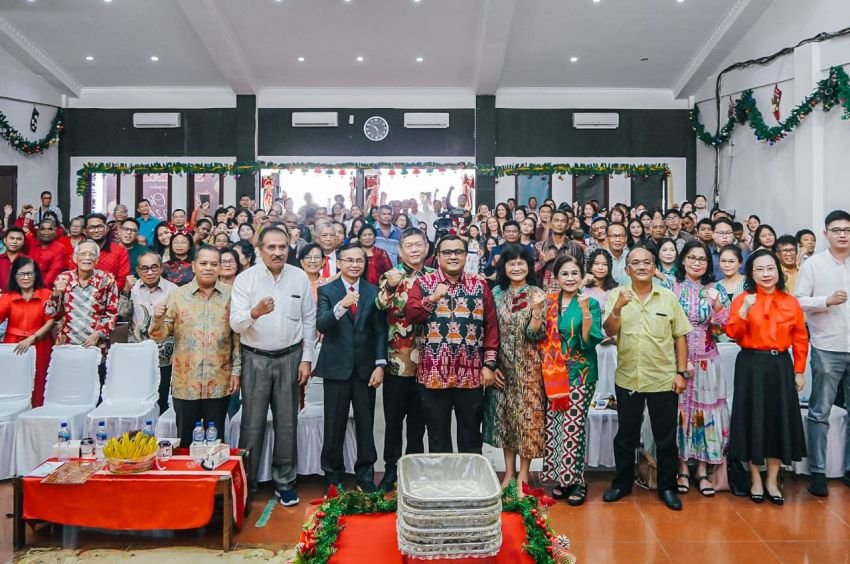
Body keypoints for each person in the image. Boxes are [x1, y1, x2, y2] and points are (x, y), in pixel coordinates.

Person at [230, 227, 317, 504]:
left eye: (282, 247)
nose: (278, 252)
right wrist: (255, 313)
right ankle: (248, 481)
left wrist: (306, 359)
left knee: (287, 422)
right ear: (259, 249)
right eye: (271, 247)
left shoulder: (299, 277)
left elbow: (309, 321)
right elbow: (235, 323)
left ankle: (285, 481)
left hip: (290, 358)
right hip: (254, 358)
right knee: (251, 424)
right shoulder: (245, 280)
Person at [602, 244, 692, 511]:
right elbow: (608, 329)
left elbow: (681, 336)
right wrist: (617, 308)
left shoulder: (667, 298)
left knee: (665, 437)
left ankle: (667, 487)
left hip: (663, 378)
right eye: (635, 263)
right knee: (626, 436)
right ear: (627, 269)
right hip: (628, 377)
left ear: (654, 268)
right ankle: (622, 484)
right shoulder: (616, 295)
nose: (641, 267)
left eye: (646, 263)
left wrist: (681, 372)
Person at [727, 249, 808, 505]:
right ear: (751, 273)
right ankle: (755, 478)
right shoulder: (743, 299)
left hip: (780, 365)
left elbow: (800, 338)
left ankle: (772, 479)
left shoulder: (790, 301)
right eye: (759, 269)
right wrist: (744, 311)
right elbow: (732, 333)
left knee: (777, 420)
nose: (765, 274)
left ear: (778, 270)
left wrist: (799, 370)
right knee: (753, 419)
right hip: (751, 365)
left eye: (770, 268)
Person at [405, 235, 499, 454]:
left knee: (471, 436)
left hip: (471, 373)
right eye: (447, 252)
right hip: (434, 374)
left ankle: (470, 484)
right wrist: (432, 299)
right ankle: (441, 483)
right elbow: (410, 315)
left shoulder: (480, 285)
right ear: (437, 257)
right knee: (437, 436)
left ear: (466, 256)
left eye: (458, 252)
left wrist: (490, 364)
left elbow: (491, 326)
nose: (453, 256)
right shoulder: (424, 284)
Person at [315, 243, 387, 492]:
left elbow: (380, 331)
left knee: (365, 424)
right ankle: (333, 476)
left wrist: (380, 364)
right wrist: (342, 305)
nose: (355, 264)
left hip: (365, 369)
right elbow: (322, 325)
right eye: (349, 260)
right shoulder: (328, 290)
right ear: (339, 263)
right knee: (334, 424)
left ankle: (365, 475)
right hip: (336, 368)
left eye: (359, 260)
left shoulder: (372, 291)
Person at [151, 246, 240, 449]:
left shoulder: (231, 296)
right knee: (186, 440)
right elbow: (160, 335)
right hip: (185, 381)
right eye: (203, 263)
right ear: (193, 266)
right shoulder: (178, 295)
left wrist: (236, 371)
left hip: (219, 379)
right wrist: (157, 319)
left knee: (216, 440)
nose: (208, 268)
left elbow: (237, 339)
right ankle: (187, 479)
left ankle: (213, 479)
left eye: (214, 264)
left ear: (219, 267)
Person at [663, 241, 729, 497]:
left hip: (706, 361)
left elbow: (724, 328)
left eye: (702, 259)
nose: (697, 263)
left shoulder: (714, 289)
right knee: (678, 413)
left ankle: (701, 469)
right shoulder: (671, 286)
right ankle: (681, 468)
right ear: (683, 260)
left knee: (703, 413)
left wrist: (719, 308)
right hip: (675, 359)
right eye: (691, 257)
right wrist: (679, 361)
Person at [540, 254, 603, 505]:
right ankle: (561, 479)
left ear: (582, 276)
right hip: (552, 374)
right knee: (554, 427)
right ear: (556, 278)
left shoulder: (590, 303)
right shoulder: (548, 302)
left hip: (580, 373)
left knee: (573, 428)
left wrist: (586, 313)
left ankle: (577, 481)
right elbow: (537, 335)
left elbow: (589, 342)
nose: (569, 278)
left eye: (574, 273)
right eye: (564, 274)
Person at [482, 245, 546, 494]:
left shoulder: (536, 293)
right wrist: (491, 364)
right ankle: (508, 473)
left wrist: (538, 312)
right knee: (504, 420)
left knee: (526, 421)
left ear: (529, 266)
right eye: (511, 263)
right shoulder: (496, 293)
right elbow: (488, 329)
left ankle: (523, 476)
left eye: (521, 263)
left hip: (529, 367)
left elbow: (535, 334)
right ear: (503, 267)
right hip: (501, 366)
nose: (517, 267)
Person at [795, 210, 850, 497]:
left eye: (847, 230)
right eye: (837, 229)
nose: (843, 234)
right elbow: (799, 301)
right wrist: (826, 301)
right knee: (820, 412)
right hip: (827, 346)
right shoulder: (814, 265)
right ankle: (818, 471)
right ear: (826, 233)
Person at [375, 228, 432, 491]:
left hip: (428, 363)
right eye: (408, 245)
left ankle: (415, 469)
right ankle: (391, 469)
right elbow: (379, 305)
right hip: (397, 361)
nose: (414, 249)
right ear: (399, 250)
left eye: (418, 245)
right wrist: (390, 283)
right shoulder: (390, 276)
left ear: (426, 248)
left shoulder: (434, 277)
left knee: (419, 422)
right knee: (394, 420)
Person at [121, 251, 177, 414]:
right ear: (138, 270)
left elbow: (179, 323)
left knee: (162, 398)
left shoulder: (173, 290)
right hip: (138, 351)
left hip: (164, 354)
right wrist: (125, 290)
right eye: (145, 269)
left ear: (161, 268)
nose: (150, 272)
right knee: (139, 398)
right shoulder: (132, 290)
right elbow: (122, 313)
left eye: (154, 267)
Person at [0, 258, 56, 407]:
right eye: (21, 274)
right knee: (14, 381)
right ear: (15, 277)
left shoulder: (46, 294)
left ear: (36, 275)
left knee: (39, 381)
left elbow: (50, 321)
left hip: (40, 344)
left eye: (29, 274)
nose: (26, 278)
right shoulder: (7, 297)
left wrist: (33, 337)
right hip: (14, 345)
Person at [53, 240, 119, 359]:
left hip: (95, 344)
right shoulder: (63, 278)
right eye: (83, 254)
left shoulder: (107, 280)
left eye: (92, 254)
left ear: (97, 260)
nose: (87, 258)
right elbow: (51, 312)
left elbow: (112, 313)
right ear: (75, 258)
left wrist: (99, 334)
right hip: (67, 342)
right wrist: (56, 293)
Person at [535, 210, 585, 293]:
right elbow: (531, 272)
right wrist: (545, 260)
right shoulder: (539, 246)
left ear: (567, 225)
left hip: (569, 291)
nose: (559, 224)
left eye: (563, 221)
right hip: (545, 292)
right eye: (556, 220)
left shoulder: (575, 247)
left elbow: (581, 272)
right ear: (550, 224)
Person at [83, 213, 130, 292]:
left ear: (107, 229)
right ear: (85, 231)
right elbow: (74, 276)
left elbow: (122, 279)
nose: (96, 230)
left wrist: (104, 295)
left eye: (100, 226)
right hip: (83, 297)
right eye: (91, 227)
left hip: (111, 297)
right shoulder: (79, 251)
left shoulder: (120, 251)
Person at [24, 218, 67, 288]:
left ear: (55, 231)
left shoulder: (60, 248)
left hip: (47, 291)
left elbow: (53, 272)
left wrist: (38, 290)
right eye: (43, 229)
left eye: (50, 229)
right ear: (38, 231)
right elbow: (16, 235)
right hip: (25, 287)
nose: (46, 232)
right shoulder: (31, 243)